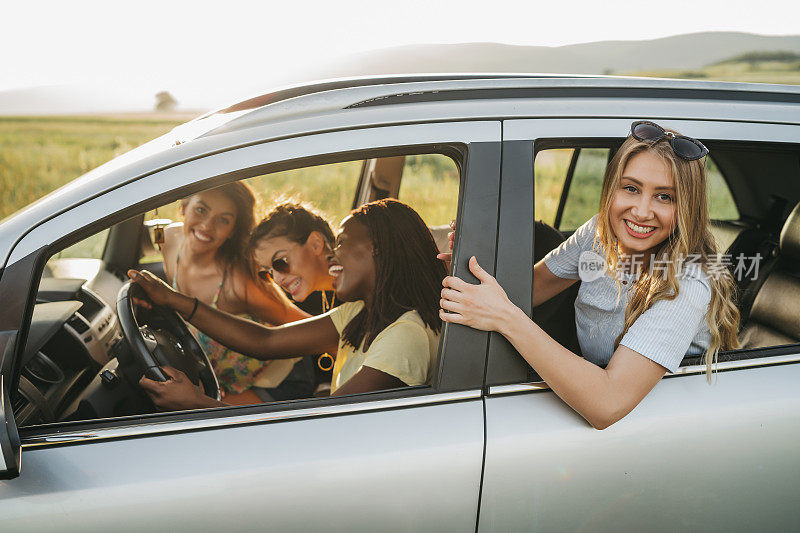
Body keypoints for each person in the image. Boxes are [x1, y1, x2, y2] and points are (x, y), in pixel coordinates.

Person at [439, 121, 740, 429]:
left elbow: (606, 404)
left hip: (664, 428)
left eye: (665, 197)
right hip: (587, 395)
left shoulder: (688, 284)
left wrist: (505, 318)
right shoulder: (599, 233)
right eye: (631, 188)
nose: (641, 211)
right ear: (612, 188)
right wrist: (475, 265)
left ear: (686, 208)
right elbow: (525, 292)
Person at [128, 198, 446, 410]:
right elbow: (266, 341)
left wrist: (197, 404)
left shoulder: (406, 334)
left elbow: (319, 427)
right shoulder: (360, 312)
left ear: (377, 249)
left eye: (342, 244)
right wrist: (174, 300)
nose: (332, 256)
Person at [160, 183, 311, 405]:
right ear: (183, 206)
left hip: (276, 380)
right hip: (220, 379)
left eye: (223, 220)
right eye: (201, 210)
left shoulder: (237, 282)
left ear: (233, 231)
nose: (207, 226)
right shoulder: (169, 240)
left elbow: (306, 325)